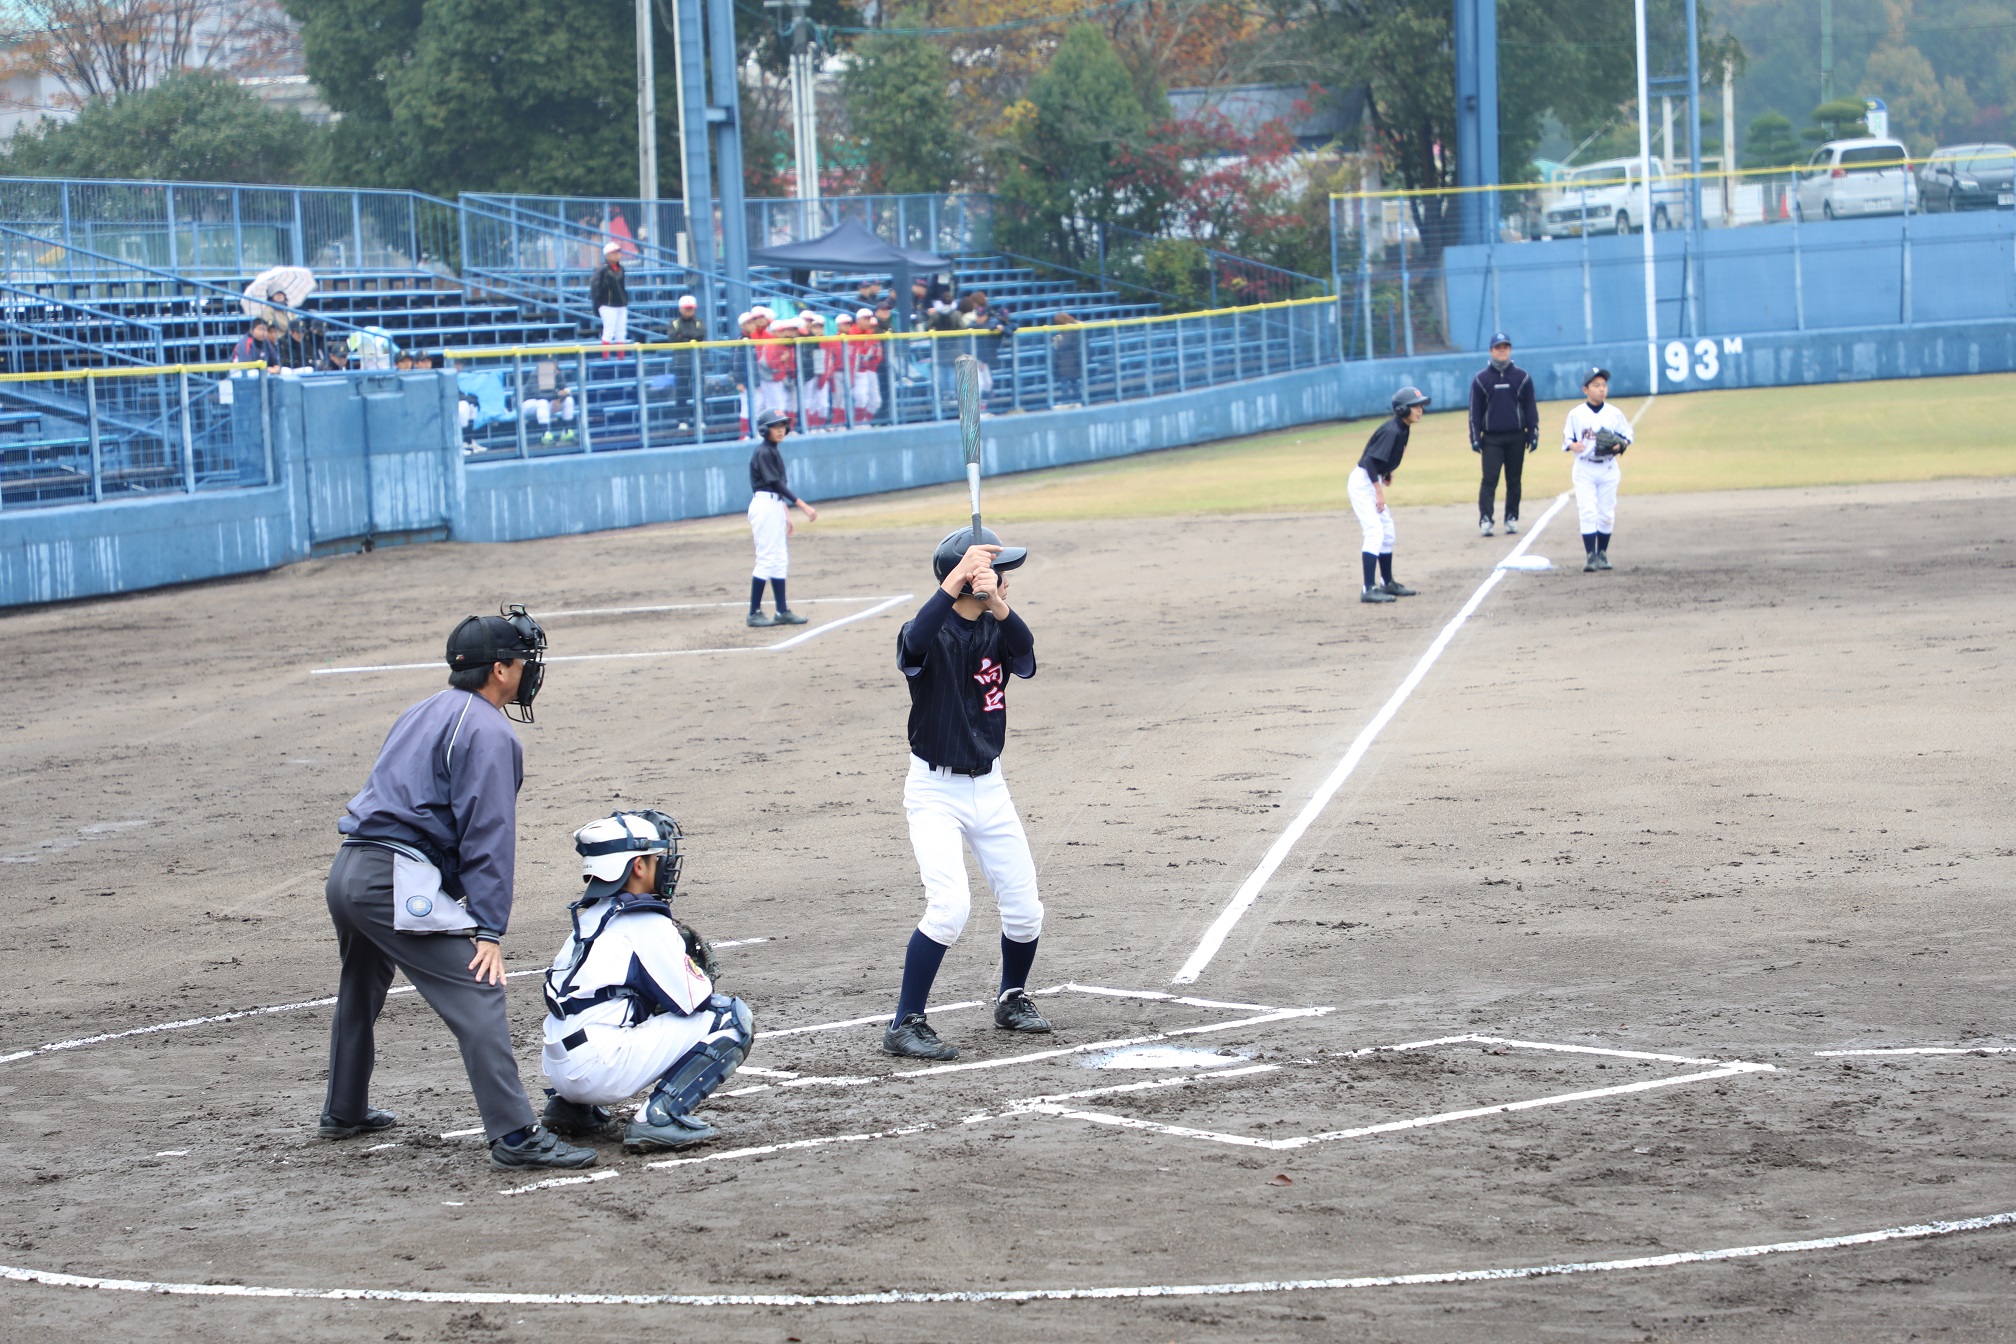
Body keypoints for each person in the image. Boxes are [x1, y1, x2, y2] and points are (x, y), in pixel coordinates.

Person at [324, 606, 597, 1171]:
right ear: (500, 670)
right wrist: (488, 928)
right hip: (393, 881)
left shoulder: (423, 709)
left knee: (360, 989)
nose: (530, 671)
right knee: (478, 991)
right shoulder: (490, 730)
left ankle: (344, 1110)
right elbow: (487, 833)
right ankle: (515, 1136)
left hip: (349, 872)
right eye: (523, 661)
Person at [882, 529, 1051, 1061]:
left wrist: (997, 603)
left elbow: (1025, 654)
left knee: (1026, 910)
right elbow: (913, 644)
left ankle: (1012, 997)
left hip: (990, 787)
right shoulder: (927, 633)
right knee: (950, 907)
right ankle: (905, 1023)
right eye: (998, 571)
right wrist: (953, 584)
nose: (1006, 579)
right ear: (965, 578)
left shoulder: (998, 629)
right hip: (935, 792)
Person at [540, 811, 755, 1152]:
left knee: (616, 1004)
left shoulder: (589, 918)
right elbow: (696, 998)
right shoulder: (643, 921)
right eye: (656, 858)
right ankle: (659, 1118)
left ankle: (571, 1109)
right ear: (638, 866)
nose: (664, 864)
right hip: (601, 1070)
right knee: (731, 1017)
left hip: (559, 1070)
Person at [1352, 387, 1429, 605]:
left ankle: (1387, 582)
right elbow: (1368, 460)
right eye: (1416, 406)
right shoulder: (1393, 430)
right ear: (1402, 409)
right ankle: (1368, 588)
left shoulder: (1403, 428)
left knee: (1387, 532)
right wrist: (1378, 490)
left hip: (1372, 479)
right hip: (1363, 483)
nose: (1420, 410)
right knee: (1374, 531)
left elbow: (1380, 459)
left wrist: (1386, 473)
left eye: (1421, 405)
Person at [747, 408, 817, 626]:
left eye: (782, 426)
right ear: (764, 429)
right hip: (764, 505)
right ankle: (754, 613)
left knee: (779, 560)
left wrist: (785, 512)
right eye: (775, 426)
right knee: (767, 558)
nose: (780, 430)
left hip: (774, 505)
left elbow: (776, 488)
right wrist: (802, 505)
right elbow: (775, 484)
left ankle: (781, 610)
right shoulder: (763, 452)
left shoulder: (772, 451)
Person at [1562, 366, 1633, 572]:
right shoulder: (1576, 414)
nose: (1601, 389)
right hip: (1584, 468)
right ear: (1586, 389)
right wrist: (1573, 445)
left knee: (1606, 513)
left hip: (1608, 467)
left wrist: (1621, 445)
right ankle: (1590, 556)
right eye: (1596, 385)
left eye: (1603, 385)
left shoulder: (1614, 413)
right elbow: (1568, 438)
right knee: (1587, 511)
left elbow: (1627, 435)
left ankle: (1602, 553)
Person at [1468, 331, 1539, 537]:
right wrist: (1474, 437)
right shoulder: (1481, 379)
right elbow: (1475, 411)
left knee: (1514, 480)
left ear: (1510, 350)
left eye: (1505, 347)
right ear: (1491, 351)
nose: (1502, 351)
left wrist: (1533, 433)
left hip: (1516, 436)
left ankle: (1511, 517)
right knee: (1490, 479)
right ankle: (1486, 518)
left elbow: (1530, 408)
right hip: (1491, 438)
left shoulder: (1522, 377)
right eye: (1498, 347)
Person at [847, 308, 884, 426]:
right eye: (865, 319)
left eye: (869, 319)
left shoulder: (870, 334)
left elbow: (877, 354)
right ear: (858, 319)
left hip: (865, 370)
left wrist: (866, 359)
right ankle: (855, 424)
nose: (867, 322)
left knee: (874, 401)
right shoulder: (850, 332)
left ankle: (863, 423)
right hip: (850, 371)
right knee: (857, 400)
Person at [590, 241, 629, 353]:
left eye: (618, 252)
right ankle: (605, 358)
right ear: (607, 255)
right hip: (607, 304)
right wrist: (598, 304)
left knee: (621, 332)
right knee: (609, 331)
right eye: (614, 253)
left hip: (621, 304)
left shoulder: (621, 268)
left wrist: (625, 300)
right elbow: (595, 287)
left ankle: (621, 359)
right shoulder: (602, 269)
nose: (617, 254)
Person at [1050, 313, 1084, 405]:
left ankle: (1071, 401)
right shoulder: (1069, 330)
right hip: (1067, 362)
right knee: (1072, 383)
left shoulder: (1070, 331)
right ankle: (1075, 400)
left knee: (1069, 383)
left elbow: (1064, 344)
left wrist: (1057, 341)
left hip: (1068, 362)